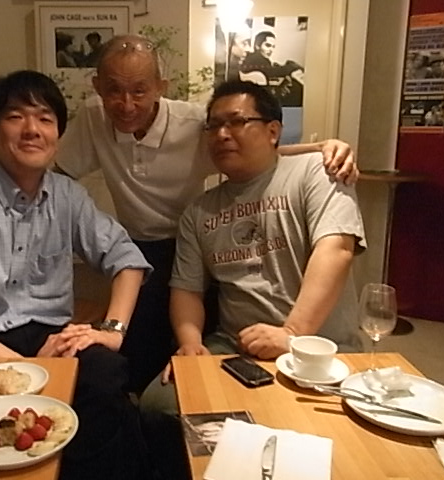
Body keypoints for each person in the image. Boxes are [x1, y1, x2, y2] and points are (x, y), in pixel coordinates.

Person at [54, 34, 358, 395]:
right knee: (143, 358)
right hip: (142, 245)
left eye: (139, 90)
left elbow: (254, 147)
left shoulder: (198, 124)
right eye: (114, 90)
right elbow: (58, 174)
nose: (126, 103)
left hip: (190, 239)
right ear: (97, 87)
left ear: (161, 88)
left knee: (201, 328)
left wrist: (323, 148)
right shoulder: (93, 119)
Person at [0, 70, 158, 480]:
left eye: (45, 118)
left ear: (57, 135)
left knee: (107, 374)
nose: (32, 129)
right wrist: (19, 367)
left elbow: (126, 257)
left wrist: (112, 330)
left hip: (50, 336)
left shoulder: (69, 196)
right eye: (15, 117)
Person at [139, 79, 366, 415]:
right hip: (235, 347)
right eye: (214, 125)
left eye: (237, 121)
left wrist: (292, 333)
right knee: (159, 405)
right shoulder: (199, 211)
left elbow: (336, 250)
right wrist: (191, 344)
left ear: (273, 131)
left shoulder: (319, 172)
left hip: (318, 347)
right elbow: (187, 289)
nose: (222, 134)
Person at [239, 31, 304, 106]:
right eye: (268, 45)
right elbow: (267, 70)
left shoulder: (264, 60)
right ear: (257, 46)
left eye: (273, 47)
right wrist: (291, 67)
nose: (271, 50)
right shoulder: (252, 59)